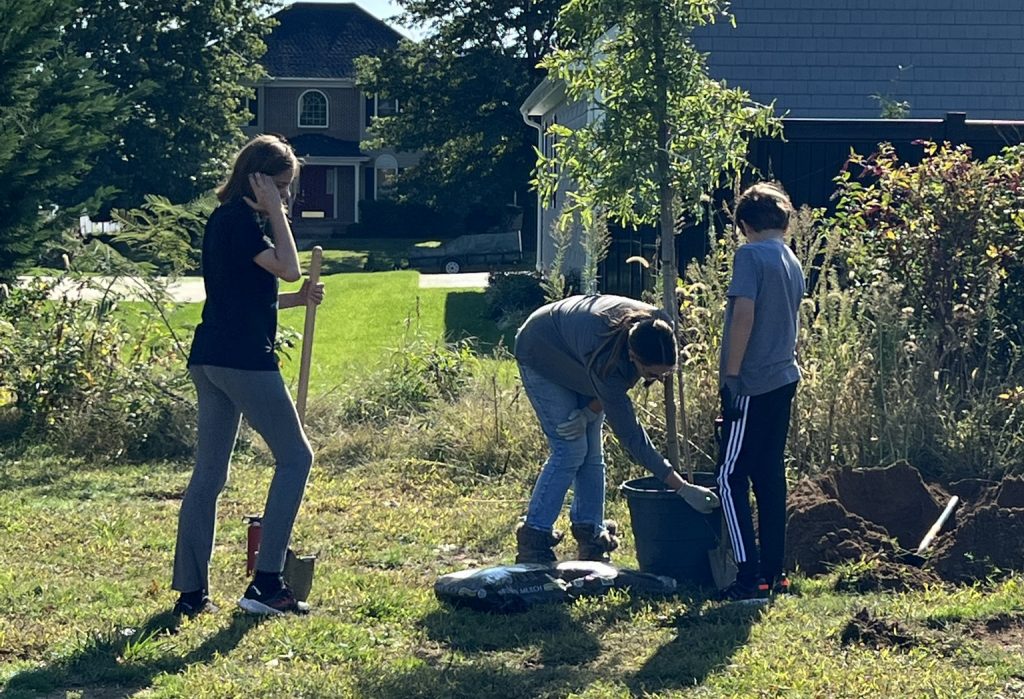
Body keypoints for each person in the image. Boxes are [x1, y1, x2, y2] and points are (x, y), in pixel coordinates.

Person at [171, 134, 324, 618]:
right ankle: (267, 584)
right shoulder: (243, 221)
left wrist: (295, 304)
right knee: (296, 458)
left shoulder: (227, 222)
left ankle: (191, 594)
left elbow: (244, 293)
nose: (287, 196)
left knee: (209, 475)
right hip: (242, 359)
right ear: (256, 180)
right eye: (281, 186)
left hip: (211, 356)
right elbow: (290, 268)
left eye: (288, 189)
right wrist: (277, 213)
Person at [513, 294, 720, 564]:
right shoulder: (603, 352)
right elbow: (632, 436)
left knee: (592, 452)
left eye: (666, 373)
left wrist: (589, 411)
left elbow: (613, 388)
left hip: (581, 355)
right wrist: (681, 487)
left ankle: (590, 533)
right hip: (542, 350)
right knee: (571, 449)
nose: (660, 380)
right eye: (653, 374)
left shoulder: (659, 329)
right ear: (633, 356)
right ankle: (534, 538)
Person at [716, 182, 804, 601]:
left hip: (750, 382)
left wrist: (732, 378)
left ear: (745, 224)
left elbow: (744, 315)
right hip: (784, 377)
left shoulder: (749, 255)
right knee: (769, 475)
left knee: (729, 475)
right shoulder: (791, 260)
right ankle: (775, 573)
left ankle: (749, 576)